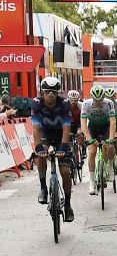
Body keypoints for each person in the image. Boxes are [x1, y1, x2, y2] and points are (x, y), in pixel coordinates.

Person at [30, 76, 74, 221]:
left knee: (65, 172)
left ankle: (67, 205)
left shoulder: (65, 103)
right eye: (47, 92)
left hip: (61, 133)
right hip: (45, 133)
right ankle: (43, 188)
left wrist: (63, 147)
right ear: (42, 92)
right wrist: (38, 148)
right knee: (40, 155)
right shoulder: (36, 103)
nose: (50, 95)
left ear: (58, 93)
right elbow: (36, 129)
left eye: (54, 92)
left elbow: (67, 129)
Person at [81, 86, 117, 197]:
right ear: (91, 97)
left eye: (100, 100)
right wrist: (89, 139)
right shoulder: (86, 104)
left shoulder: (109, 103)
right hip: (92, 127)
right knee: (92, 152)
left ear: (104, 97)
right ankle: (92, 182)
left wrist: (111, 139)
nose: (98, 103)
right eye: (96, 100)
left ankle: (110, 166)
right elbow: (83, 124)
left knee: (110, 146)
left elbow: (112, 122)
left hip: (106, 126)